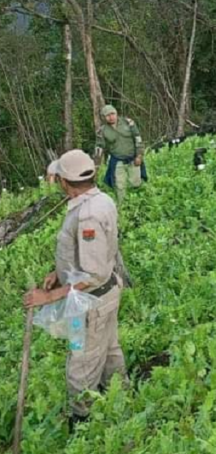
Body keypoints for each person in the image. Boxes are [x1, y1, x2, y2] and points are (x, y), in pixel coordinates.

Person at [22, 150, 127, 430]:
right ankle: (121, 396)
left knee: (81, 362)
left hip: (91, 302)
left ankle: (82, 423)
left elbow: (93, 273)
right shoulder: (100, 200)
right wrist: (59, 272)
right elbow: (93, 252)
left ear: (66, 183)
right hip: (105, 296)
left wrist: (49, 296)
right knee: (109, 348)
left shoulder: (87, 216)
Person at [94, 104, 147, 201]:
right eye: (108, 115)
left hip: (133, 158)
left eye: (112, 114)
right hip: (117, 160)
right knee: (119, 185)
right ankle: (122, 207)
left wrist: (139, 155)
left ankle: (137, 203)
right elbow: (99, 147)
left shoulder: (128, 123)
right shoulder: (102, 131)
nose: (111, 117)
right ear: (104, 117)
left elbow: (138, 138)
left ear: (116, 113)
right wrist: (96, 165)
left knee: (135, 183)